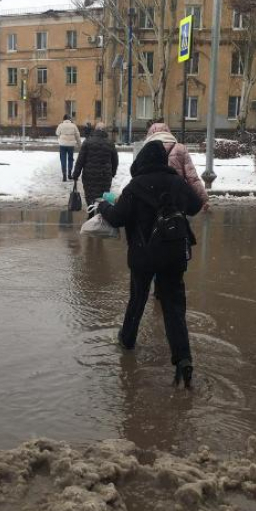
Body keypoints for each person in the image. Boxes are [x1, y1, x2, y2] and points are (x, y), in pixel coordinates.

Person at [96, 140, 202, 387]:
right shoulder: (176, 182)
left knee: (138, 299)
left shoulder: (135, 187)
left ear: (142, 160)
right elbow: (195, 206)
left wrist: (103, 206)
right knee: (174, 308)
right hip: (174, 255)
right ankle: (183, 358)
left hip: (144, 256)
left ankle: (128, 340)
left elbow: (117, 218)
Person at [144, 119, 210, 212]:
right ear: (168, 132)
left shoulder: (146, 150)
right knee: (177, 222)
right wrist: (203, 199)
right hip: (176, 197)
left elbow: (139, 176)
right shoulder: (180, 148)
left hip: (153, 197)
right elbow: (192, 177)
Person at [73, 122, 118, 216]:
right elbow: (115, 160)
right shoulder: (110, 143)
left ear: (95, 130)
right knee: (103, 195)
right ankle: (101, 213)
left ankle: (91, 211)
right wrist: (112, 173)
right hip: (105, 176)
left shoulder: (87, 142)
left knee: (90, 194)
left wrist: (76, 174)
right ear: (105, 131)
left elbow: (80, 159)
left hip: (89, 175)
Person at [56, 115, 82, 182]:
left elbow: (57, 133)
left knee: (63, 159)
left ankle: (64, 175)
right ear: (69, 119)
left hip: (62, 145)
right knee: (70, 159)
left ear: (63, 119)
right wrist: (80, 145)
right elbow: (77, 135)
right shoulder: (73, 126)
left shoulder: (60, 125)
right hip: (71, 145)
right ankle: (69, 175)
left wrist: (61, 137)